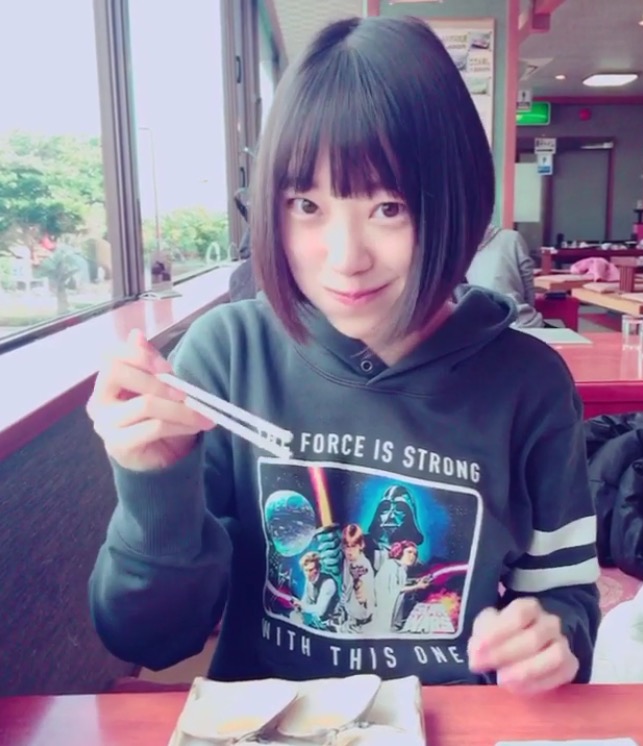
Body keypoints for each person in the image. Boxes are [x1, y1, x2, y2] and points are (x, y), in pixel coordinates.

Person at [87, 15, 600, 693]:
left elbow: (567, 603)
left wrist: (553, 637)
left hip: (448, 728)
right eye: (307, 205)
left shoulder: (528, 384)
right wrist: (154, 485)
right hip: (270, 732)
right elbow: (150, 641)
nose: (346, 258)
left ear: (457, 202)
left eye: (389, 207)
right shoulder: (228, 358)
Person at [466, 226, 544, 328]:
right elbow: (528, 285)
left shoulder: (458, 247)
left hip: (484, 326)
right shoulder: (512, 238)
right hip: (521, 320)